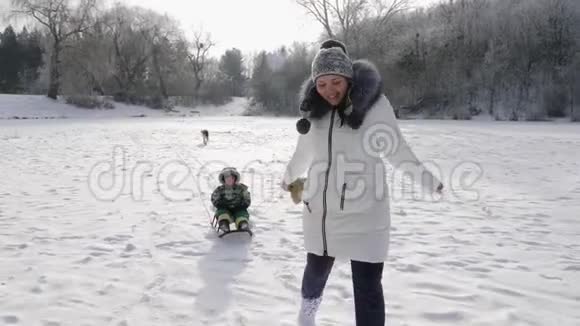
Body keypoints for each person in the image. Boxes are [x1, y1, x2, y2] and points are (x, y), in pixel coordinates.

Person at [281, 39, 443, 326]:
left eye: (335, 82)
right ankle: (307, 314)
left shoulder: (374, 106)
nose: (329, 90)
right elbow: (304, 152)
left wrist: (428, 181)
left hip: (366, 212)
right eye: (322, 84)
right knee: (315, 273)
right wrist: (289, 176)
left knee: (368, 288)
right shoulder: (314, 111)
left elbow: (396, 148)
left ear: (348, 77)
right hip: (322, 213)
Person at [211, 167, 251, 233]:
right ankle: (224, 224)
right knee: (222, 213)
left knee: (241, 214)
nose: (229, 180)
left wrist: (243, 204)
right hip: (225, 207)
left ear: (235, 179)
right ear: (224, 179)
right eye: (227, 178)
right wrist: (219, 204)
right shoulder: (219, 189)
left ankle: (243, 224)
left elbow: (247, 197)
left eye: (232, 178)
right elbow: (214, 198)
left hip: (238, 207)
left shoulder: (241, 188)